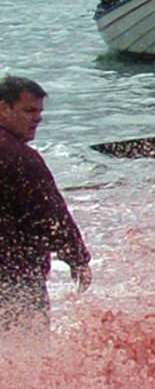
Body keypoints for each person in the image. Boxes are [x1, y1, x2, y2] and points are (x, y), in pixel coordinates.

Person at [0, 76, 91, 329]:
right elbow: (49, 214)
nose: (38, 118)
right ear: (3, 108)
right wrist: (77, 258)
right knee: (25, 351)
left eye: (39, 111)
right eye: (29, 110)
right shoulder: (19, 158)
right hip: (14, 276)